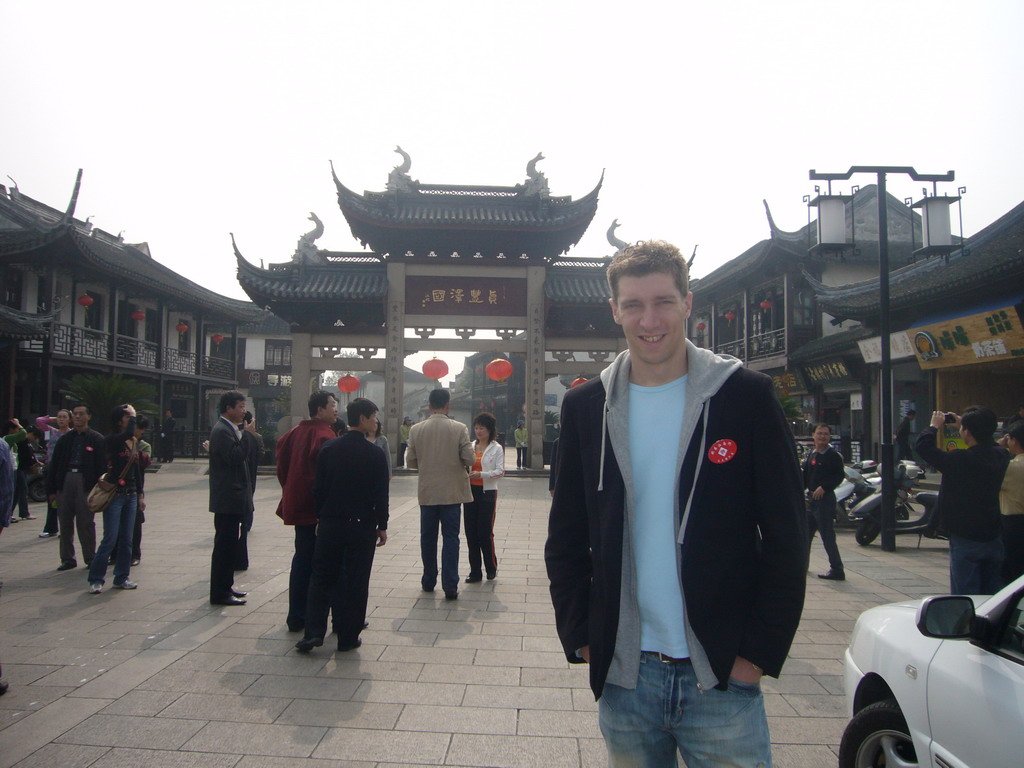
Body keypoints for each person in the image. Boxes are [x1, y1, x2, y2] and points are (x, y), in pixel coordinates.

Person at [545, 240, 807, 768]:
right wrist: (584, 638)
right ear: (614, 310)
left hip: (720, 678)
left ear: (688, 303)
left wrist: (754, 655)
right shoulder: (586, 407)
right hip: (625, 677)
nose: (650, 319)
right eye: (634, 305)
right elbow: (566, 534)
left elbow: (788, 533)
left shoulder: (746, 397)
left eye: (664, 301)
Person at [296, 397, 389, 654]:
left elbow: (319, 489)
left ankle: (313, 632)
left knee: (322, 576)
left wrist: (321, 517)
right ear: (362, 419)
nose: (375, 421)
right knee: (356, 581)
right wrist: (382, 525)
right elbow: (380, 494)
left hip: (330, 524)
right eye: (373, 417)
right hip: (361, 526)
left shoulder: (330, 449)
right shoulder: (375, 453)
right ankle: (348, 636)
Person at [916, 407, 1008, 595]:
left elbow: (923, 447)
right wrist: (965, 425)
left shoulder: (959, 460)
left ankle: (968, 625)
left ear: (966, 431)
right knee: (992, 595)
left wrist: (933, 427)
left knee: (965, 595)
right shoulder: (1001, 456)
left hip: (965, 535)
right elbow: (991, 446)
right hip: (993, 533)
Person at [275, 391, 339, 631]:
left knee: (301, 560)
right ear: (320, 409)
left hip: (297, 505)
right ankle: (317, 616)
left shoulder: (292, 434)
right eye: (332, 405)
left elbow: (282, 470)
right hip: (318, 511)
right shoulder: (324, 436)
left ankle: (296, 615)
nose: (336, 409)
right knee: (321, 564)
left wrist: (290, 490)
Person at [406, 388, 474, 600]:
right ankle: (450, 584)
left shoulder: (416, 429)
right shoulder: (459, 428)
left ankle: (428, 580)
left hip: (427, 492)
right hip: (452, 493)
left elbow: (410, 462)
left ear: (429, 406)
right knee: (451, 538)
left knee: (428, 537)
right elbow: (470, 459)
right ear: (447, 405)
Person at [87, 405, 144, 594]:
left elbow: (136, 469)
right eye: (127, 417)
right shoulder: (112, 440)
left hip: (131, 493)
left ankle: (122, 577)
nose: (131, 420)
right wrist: (134, 414)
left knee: (127, 539)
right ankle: (96, 578)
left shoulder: (132, 442)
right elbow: (127, 432)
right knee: (110, 539)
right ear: (119, 420)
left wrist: (141, 492)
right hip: (115, 494)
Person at [47, 403, 105, 571]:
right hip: (65, 480)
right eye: (75, 414)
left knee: (86, 522)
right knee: (64, 522)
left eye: (81, 414)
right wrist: (52, 490)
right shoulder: (65, 439)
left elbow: (101, 466)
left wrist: (98, 489)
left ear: (89, 416)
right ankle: (67, 558)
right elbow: (54, 465)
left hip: (85, 483)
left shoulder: (96, 438)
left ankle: (90, 557)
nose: (78, 417)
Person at [208, 390, 252, 606]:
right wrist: (247, 436)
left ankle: (226, 587)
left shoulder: (230, 429)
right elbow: (234, 457)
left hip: (232, 497)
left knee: (229, 547)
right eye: (240, 407)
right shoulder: (222, 430)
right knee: (224, 547)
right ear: (229, 408)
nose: (244, 411)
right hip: (227, 498)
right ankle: (219, 593)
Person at [463, 412, 504, 583]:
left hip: (487, 493)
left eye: (482, 428)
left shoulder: (497, 448)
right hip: (470, 492)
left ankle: (491, 567)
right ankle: (475, 571)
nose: (479, 431)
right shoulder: (470, 446)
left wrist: (481, 474)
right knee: (470, 532)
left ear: (490, 430)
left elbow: (500, 471)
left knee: (484, 532)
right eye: (477, 428)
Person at [804, 423, 846, 581]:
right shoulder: (812, 454)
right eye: (820, 433)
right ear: (813, 435)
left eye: (826, 434)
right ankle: (802, 565)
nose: (822, 437)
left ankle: (837, 569)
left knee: (827, 536)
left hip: (824, 501)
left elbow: (839, 476)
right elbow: (806, 476)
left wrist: (825, 487)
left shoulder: (833, 456)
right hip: (810, 501)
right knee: (805, 535)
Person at [36, 409, 71, 537]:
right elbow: (39, 421)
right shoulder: (51, 432)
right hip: (51, 468)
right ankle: (51, 528)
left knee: (65, 501)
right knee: (51, 498)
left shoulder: (72, 434)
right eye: (59, 417)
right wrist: (53, 418)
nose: (61, 419)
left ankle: (66, 529)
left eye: (64, 417)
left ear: (70, 419)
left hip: (65, 469)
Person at [235, 411, 263, 571]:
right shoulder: (234, 434)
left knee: (248, 502)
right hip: (239, 484)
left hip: (249, 477)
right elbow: (237, 456)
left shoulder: (253, 437)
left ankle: (247, 524)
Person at [998, 422, 1024, 583]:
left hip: (1014, 524)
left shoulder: (1012, 467)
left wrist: (998, 446)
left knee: (1012, 575)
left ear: (1013, 440)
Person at [129, 416, 153, 566]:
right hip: (118, 488)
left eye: (137, 427)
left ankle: (135, 554)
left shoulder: (144, 446)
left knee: (136, 522)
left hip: (136, 486)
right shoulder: (120, 442)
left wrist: (133, 446)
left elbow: (144, 463)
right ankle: (115, 553)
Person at [4, 419, 36, 522]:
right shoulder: (7, 438)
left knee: (18, 491)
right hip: (10, 469)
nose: (18, 429)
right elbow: (23, 434)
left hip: (16, 468)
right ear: (11, 429)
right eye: (16, 428)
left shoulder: (13, 441)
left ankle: (11, 513)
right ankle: (7, 514)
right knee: (11, 492)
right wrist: (18, 424)